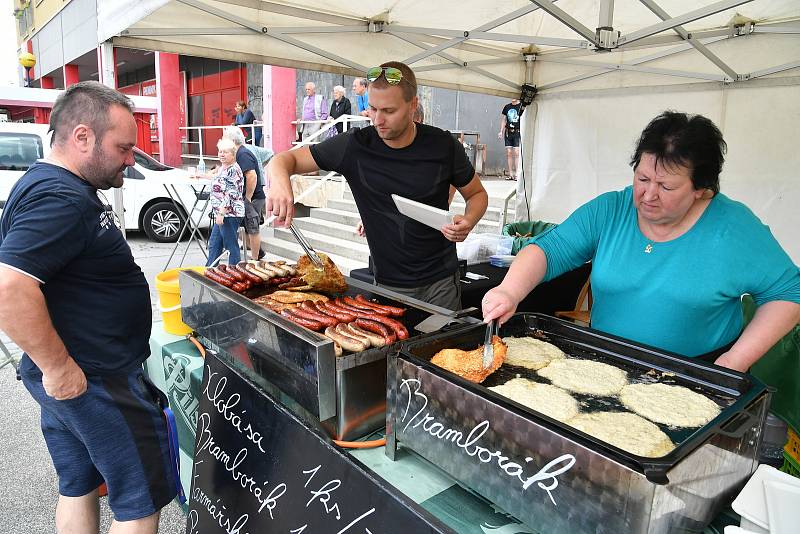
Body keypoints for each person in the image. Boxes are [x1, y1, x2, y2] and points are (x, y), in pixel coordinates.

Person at [483, 111, 800, 372]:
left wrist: (735, 361)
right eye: (643, 178)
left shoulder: (733, 228)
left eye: (666, 186)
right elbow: (549, 250)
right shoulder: (612, 209)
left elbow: (788, 292)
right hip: (603, 361)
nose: (648, 195)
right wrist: (509, 290)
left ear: (701, 190)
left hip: (694, 371)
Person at [0, 81, 176, 533]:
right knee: (139, 500)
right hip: (94, 380)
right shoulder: (59, 197)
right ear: (82, 137)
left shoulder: (46, 183)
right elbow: (9, 287)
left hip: (77, 380)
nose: (131, 158)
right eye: (123, 147)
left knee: (77, 484)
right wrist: (58, 368)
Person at [269, 61, 488, 310]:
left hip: (441, 284)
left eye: (388, 110)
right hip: (387, 285)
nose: (377, 120)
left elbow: (477, 194)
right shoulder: (354, 146)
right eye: (373, 108)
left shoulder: (443, 145)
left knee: (443, 348)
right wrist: (279, 182)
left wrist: (469, 220)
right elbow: (285, 159)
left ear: (413, 105)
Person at [222, 126, 267, 260]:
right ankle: (258, 253)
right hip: (249, 197)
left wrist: (247, 197)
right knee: (246, 228)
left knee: (252, 229)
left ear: (232, 140)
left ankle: (255, 259)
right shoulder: (239, 153)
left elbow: (251, 176)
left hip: (253, 198)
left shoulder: (242, 154)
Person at [206, 137, 245, 266]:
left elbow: (232, 193)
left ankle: (235, 271)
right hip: (221, 213)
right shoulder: (223, 168)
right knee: (214, 243)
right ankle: (210, 270)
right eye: (220, 151)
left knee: (230, 245)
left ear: (233, 154)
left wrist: (222, 213)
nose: (222, 154)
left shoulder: (233, 169)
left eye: (226, 152)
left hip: (229, 213)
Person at [498, 98, 524, 180]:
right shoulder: (507, 107)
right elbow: (504, 120)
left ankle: (517, 174)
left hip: (517, 131)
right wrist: (501, 131)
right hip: (508, 132)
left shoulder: (521, 107)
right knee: (509, 152)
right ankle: (510, 174)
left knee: (516, 152)